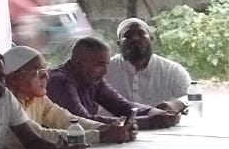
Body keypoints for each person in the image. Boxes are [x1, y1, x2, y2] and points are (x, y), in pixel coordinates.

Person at [2, 46, 133, 149]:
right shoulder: (6, 103)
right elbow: (40, 136)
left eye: (46, 70)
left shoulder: (37, 98)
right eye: (38, 72)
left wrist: (105, 128)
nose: (46, 76)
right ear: (14, 78)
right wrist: (101, 136)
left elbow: (67, 120)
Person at [46, 37, 181, 130]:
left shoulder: (92, 79)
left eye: (106, 65)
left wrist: (155, 112)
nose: (105, 72)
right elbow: (81, 122)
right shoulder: (60, 82)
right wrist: (149, 122)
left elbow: (123, 106)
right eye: (100, 65)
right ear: (79, 62)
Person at [106, 18, 191, 113]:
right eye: (128, 35)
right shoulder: (105, 69)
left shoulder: (172, 70)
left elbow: (193, 97)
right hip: (113, 123)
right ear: (119, 43)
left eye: (141, 34)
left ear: (151, 39)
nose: (135, 38)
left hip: (160, 123)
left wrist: (177, 103)